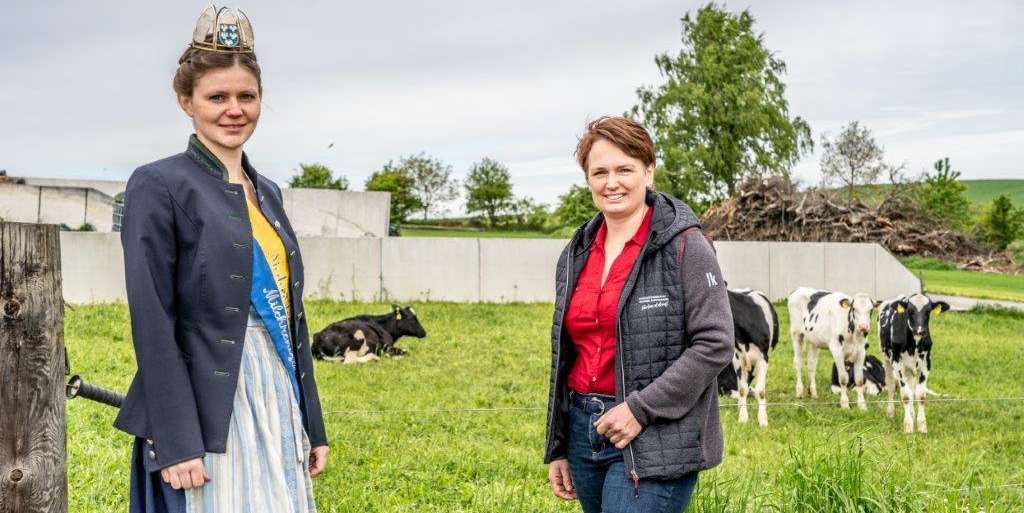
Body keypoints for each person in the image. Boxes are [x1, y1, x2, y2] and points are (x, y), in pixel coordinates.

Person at [113, 6, 329, 512]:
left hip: (272, 393)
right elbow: (152, 319)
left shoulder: (268, 193)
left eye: (246, 96)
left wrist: (311, 423)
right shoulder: (158, 184)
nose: (234, 109)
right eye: (217, 97)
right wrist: (176, 438)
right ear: (186, 101)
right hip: (205, 404)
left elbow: (294, 322)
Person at [544, 116, 734, 513]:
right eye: (599, 172)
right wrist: (559, 443)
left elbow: (715, 343)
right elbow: (566, 355)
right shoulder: (576, 252)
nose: (611, 182)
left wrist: (639, 409)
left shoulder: (687, 246)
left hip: (656, 432)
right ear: (588, 180)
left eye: (624, 169)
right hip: (585, 430)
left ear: (649, 171)